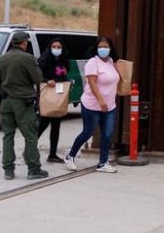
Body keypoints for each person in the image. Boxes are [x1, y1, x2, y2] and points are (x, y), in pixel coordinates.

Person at [64, 36, 120, 174]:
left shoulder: (112, 62)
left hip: (110, 105)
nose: (103, 49)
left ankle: (103, 162)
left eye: (106, 47)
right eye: (100, 47)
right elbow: (92, 83)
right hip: (92, 104)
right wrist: (100, 100)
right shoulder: (92, 63)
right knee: (88, 132)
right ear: (96, 48)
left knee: (107, 134)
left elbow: (115, 79)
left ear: (111, 49)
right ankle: (70, 156)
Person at [0, 30, 46, 180]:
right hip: (23, 102)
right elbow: (38, 78)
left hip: (6, 102)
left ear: (12, 43)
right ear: (24, 43)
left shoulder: (2, 59)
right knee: (30, 136)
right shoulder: (28, 58)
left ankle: (8, 170)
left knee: (8, 136)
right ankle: (33, 169)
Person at [36, 38, 70, 164]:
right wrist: (46, 80)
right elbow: (37, 75)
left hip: (59, 94)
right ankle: (30, 148)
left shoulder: (64, 61)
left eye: (58, 46)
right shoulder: (44, 60)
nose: (56, 49)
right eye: (54, 46)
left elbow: (65, 74)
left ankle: (53, 153)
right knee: (43, 123)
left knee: (56, 126)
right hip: (48, 94)